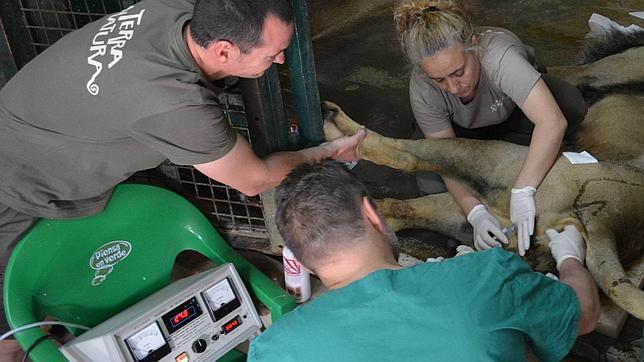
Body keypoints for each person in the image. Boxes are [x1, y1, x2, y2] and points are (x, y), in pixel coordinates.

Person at [0, 0, 364, 359]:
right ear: (223, 51)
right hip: (18, 179)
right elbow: (255, 179)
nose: (282, 60)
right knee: (15, 328)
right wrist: (326, 153)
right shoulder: (173, 102)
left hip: (35, 126)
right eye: (272, 55)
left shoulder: (179, 9)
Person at [247, 160, 599, 361]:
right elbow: (584, 314)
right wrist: (569, 258)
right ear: (371, 212)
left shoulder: (272, 349)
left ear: (302, 261)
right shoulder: (485, 276)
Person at [393, 0, 588, 256]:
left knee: (569, 105)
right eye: (440, 79)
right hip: (462, 131)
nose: (453, 87)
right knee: (431, 183)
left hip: (512, 114)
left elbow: (552, 121)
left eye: (459, 72)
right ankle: (508, 151)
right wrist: (475, 212)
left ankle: (511, 147)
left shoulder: (500, 57)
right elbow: (446, 156)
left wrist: (522, 191)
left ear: (474, 45)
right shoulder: (422, 86)